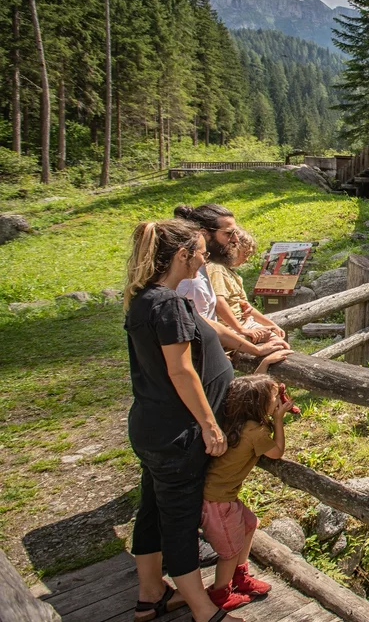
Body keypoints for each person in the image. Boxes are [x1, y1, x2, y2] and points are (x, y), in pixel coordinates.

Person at [123, 220, 286, 622]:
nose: (204, 258)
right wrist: (210, 426)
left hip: (151, 425)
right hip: (179, 432)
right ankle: (203, 610)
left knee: (153, 508)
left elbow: (206, 327)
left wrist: (254, 352)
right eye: (199, 251)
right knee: (179, 519)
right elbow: (181, 371)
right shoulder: (169, 305)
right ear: (182, 255)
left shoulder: (146, 298)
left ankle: (151, 593)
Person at [201, 367, 294, 611]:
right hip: (218, 500)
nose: (276, 402)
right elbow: (276, 452)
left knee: (249, 524)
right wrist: (278, 420)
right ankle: (220, 594)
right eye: (273, 399)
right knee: (229, 552)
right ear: (259, 404)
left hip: (220, 495)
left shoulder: (238, 419)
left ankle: (239, 576)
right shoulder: (255, 431)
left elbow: (251, 386)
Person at [207, 229, 285, 345]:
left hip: (242, 322)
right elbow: (219, 302)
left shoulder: (231, 273)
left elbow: (245, 306)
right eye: (246, 253)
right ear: (235, 248)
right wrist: (241, 329)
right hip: (230, 326)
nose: (246, 259)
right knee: (277, 344)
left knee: (278, 340)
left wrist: (271, 324)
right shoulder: (217, 269)